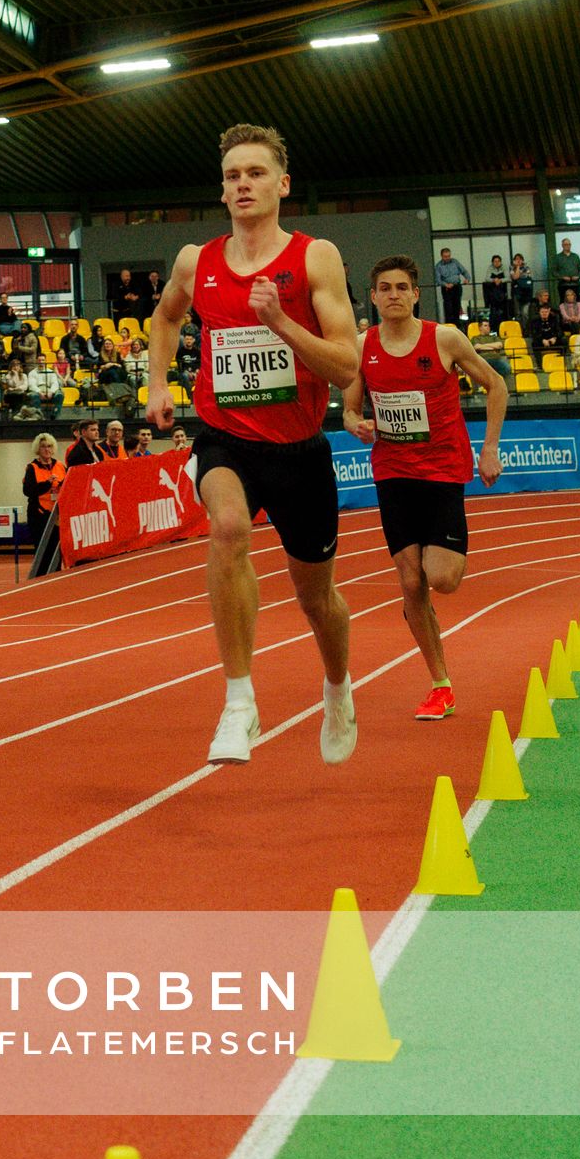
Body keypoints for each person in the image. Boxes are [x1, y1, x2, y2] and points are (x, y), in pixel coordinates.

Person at [146, 121, 359, 767]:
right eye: (234, 175)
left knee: (316, 601)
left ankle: (338, 688)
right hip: (223, 436)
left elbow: (347, 365)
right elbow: (165, 316)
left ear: (282, 184)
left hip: (299, 449)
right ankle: (239, 700)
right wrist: (157, 383)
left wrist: (280, 322)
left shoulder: (314, 258)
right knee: (229, 528)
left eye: (256, 173)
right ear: (222, 189)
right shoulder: (197, 261)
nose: (244, 184)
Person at [342, 256, 507, 720]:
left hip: (442, 473)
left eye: (401, 287)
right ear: (373, 297)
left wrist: (490, 448)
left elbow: (495, 385)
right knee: (411, 581)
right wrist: (357, 424)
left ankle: (425, 618)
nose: (393, 294)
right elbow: (349, 410)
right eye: (384, 288)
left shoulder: (445, 338)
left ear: (416, 294)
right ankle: (441, 683)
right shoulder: (362, 346)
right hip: (393, 474)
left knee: (442, 579)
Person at [22, 433, 65, 546]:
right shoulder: (32, 467)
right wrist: (47, 484)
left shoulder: (60, 465)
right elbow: (28, 491)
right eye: (43, 446)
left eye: (49, 446)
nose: (47, 449)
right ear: (38, 449)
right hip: (39, 515)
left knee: (57, 549)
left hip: (57, 515)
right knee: (42, 549)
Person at [434, 247, 468, 325]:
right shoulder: (438, 266)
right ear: (441, 256)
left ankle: (457, 327)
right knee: (448, 309)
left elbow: (464, 271)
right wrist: (445, 284)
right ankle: (449, 326)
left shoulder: (455, 262)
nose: (447, 258)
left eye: (449, 256)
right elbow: (438, 280)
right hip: (447, 289)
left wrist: (467, 279)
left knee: (457, 307)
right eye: (445, 256)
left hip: (457, 287)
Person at [482, 257, 510, 325]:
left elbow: (508, 278)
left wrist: (500, 280)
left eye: (498, 261)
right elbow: (487, 278)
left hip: (502, 294)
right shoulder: (490, 268)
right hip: (493, 295)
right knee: (493, 312)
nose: (497, 263)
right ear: (492, 262)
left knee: (503, 311)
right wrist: (494, 280)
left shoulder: (504, 268)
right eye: (495, 261)